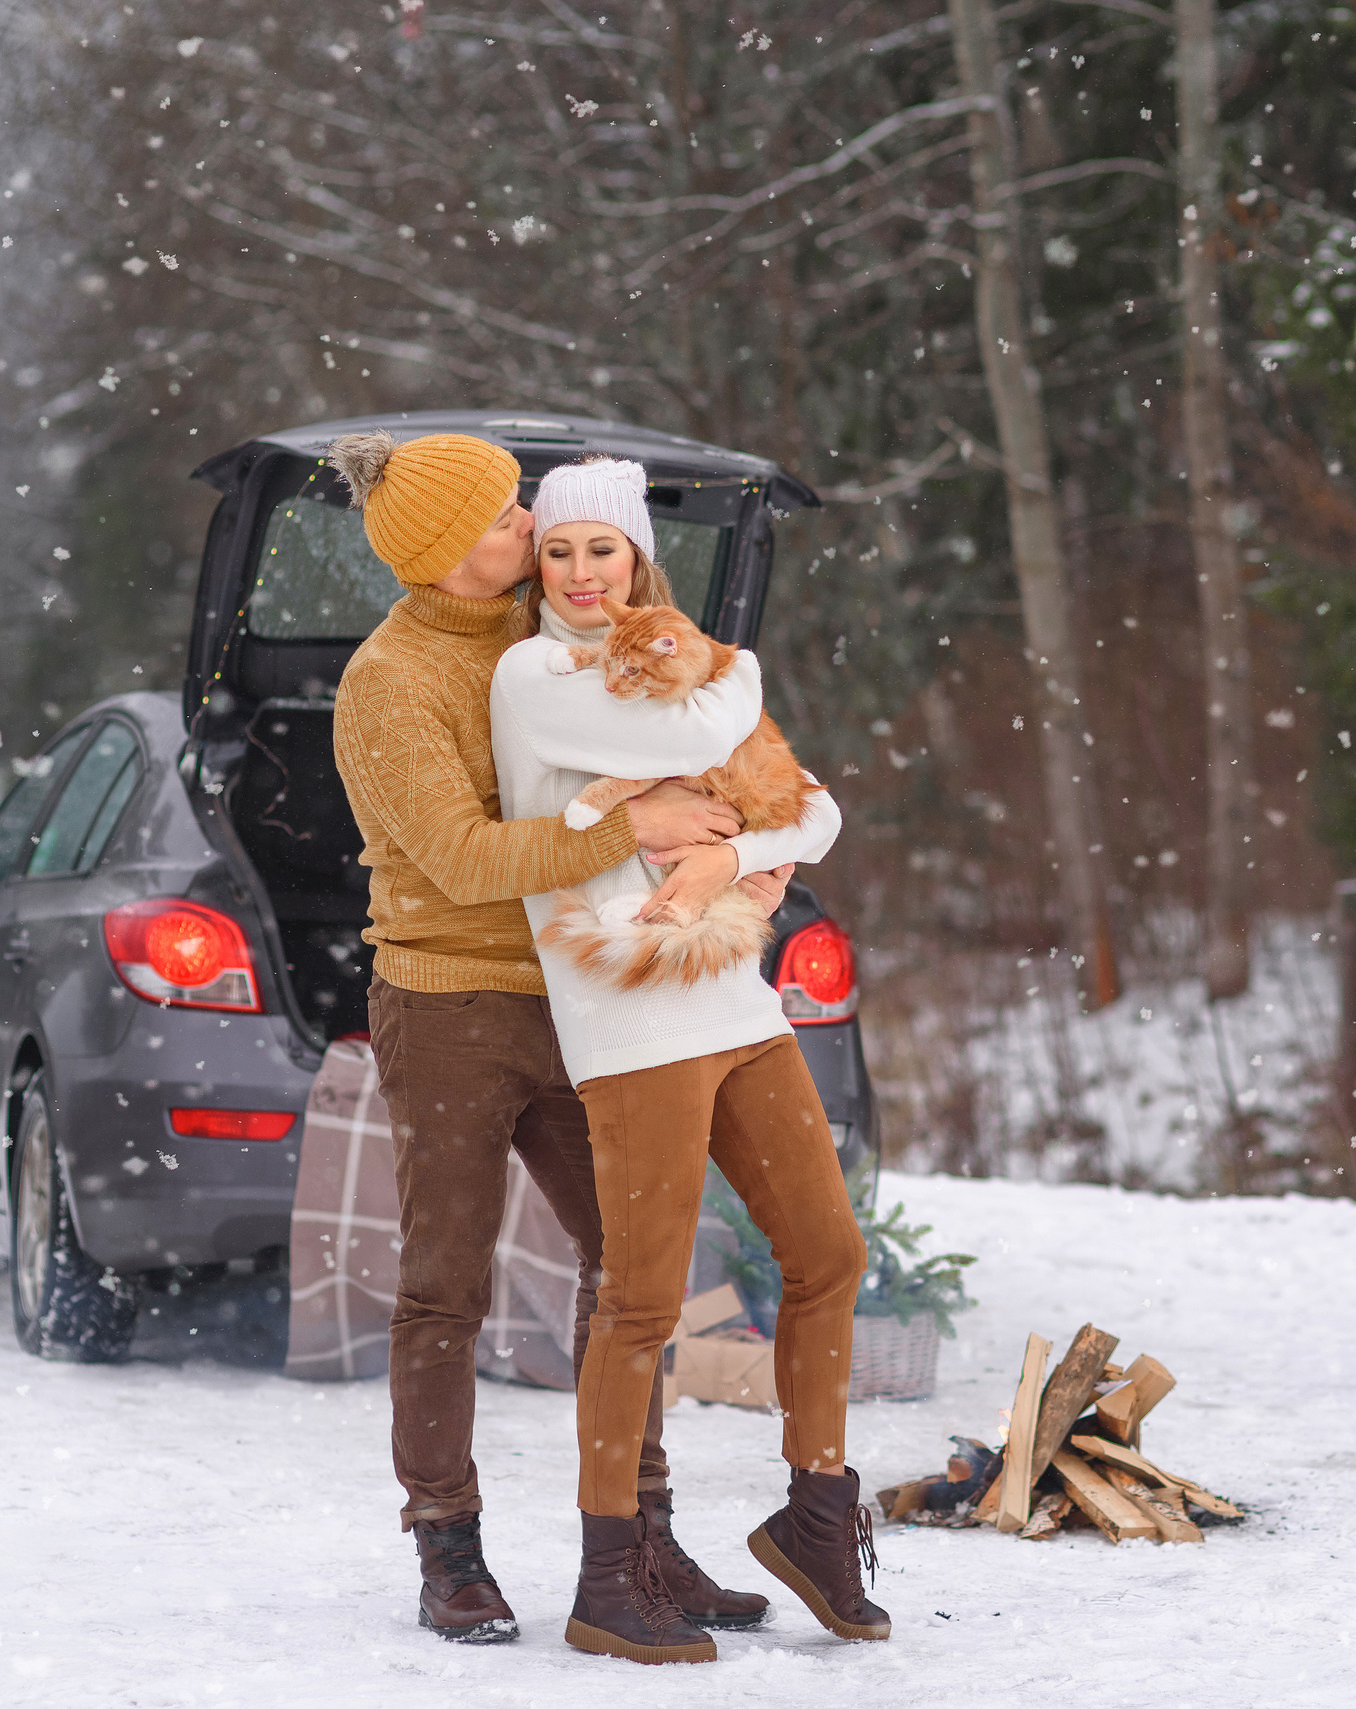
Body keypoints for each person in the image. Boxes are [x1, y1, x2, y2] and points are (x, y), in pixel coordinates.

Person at [325, 429, 779, 1644]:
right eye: (500, 516)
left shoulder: (560, 635)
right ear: (441, 552)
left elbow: (695, 744)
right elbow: (464, 859)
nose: (528, 525)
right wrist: (640, 824)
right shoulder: (388, 681)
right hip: (452, 1005)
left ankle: (641, 1534)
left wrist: (739, 840)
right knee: (446, 1282)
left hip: (586, 993)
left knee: (631, 1267)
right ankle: (447, 1544)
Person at [489, 457, 885, 1666]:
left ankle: (815, 1512)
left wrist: (726, 857)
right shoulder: (537, 675)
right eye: (559, 551)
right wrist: (736, 666)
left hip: (732, 998)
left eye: (603, 549)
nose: (581, 573)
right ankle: (607, 1574)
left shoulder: (671, 661)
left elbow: (815, 810)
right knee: (643, 1299)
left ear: (637, 557)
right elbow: (715, 722)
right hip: (631, 1010)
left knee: (828, 1250)